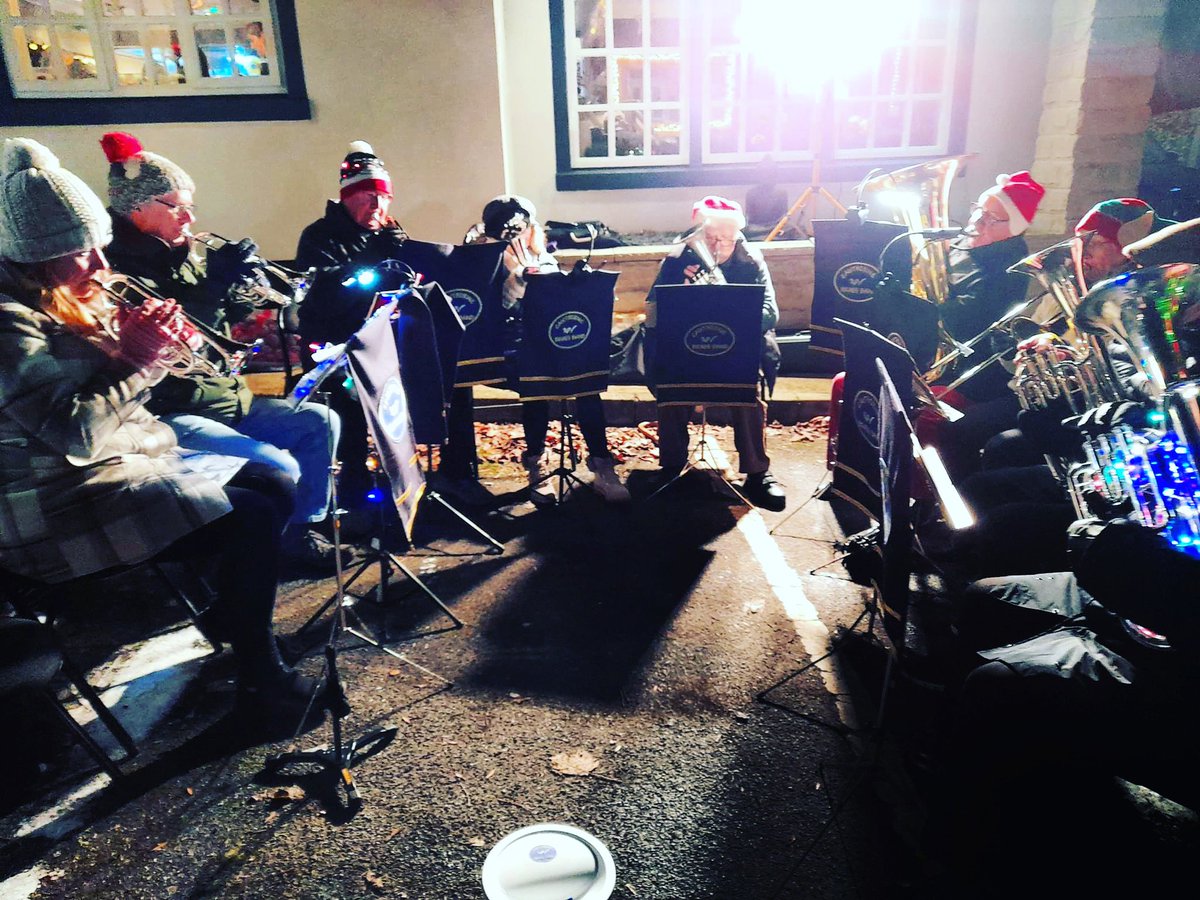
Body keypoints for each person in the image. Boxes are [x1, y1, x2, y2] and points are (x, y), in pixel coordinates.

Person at [0, 138, 322, 730]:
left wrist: (144, 348)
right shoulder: (9, 322)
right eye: (84, 254)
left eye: (100, 249)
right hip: (52, 506)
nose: (101, 267)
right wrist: (136, 361)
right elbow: (75, 434)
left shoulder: (63, 295)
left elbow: (114, 395)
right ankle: (262, 681)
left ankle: (233, 618)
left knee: (273, 478)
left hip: (121, 463)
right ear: (40, 260)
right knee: (250, 517)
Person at [99, 132, 345, 573]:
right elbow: (178, 335)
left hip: (226, 396)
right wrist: (214, 289)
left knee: (320, 422)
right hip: (169, 412)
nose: (190, 216)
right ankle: (252, 555)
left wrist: (241, 287)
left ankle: (297, 532)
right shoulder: (115, 268)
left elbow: (222, 324)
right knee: (276, 464)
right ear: (137, 209)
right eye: (177, 206)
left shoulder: (185, 252)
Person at [464, 195, 629, 504]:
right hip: (512, 346)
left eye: (523, 227)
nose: (518, 234)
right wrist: (520, 280)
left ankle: (602, 466)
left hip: (553, 340)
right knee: (535, 383)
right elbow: (498, 305)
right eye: (509, 229)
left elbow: (558, 300)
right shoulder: (490, 260)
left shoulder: (541, 256)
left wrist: (579, 287)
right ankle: (536, 463)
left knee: (587, 383)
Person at [647, 196, 785, 511]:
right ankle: (670, 466)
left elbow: (771, 312)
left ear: (737, 235)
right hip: (689, 347)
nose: (718, 243)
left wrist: (730, 314)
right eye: (710, 236)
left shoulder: (751, 259)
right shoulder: (678, 257)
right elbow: (654, 307)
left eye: (726, 236)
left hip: (739, 348)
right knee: (671, 382)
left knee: (749, 388)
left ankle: (757, 473)